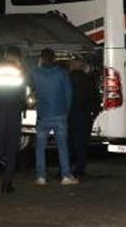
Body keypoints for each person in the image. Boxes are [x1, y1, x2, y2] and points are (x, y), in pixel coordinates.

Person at [31, 48, 76, 186]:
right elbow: (69, 94)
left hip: (43, 115)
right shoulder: (62, 74)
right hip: (59, 114)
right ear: (54, 58)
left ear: (42, 59)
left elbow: (33, 91)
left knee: (40, 147)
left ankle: (41, 176)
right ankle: (66, 176)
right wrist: (66, 111)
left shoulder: (36, 73)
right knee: (62, 147)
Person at [0, 47, 26, 193]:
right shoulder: (19, 71)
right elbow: (22, 95)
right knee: (11, 149)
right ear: (18, 57)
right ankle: (7, 183)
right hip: (13, 112)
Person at [67, 56, 98, 180]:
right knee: (82, 144)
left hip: (68, 115)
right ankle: (80, 170)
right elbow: (95, 99)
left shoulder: (66, 79)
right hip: (84, 115)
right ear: (83, 67)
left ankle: (65, 169)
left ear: (72, 66)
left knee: (67, 144)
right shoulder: (89, 80)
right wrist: (94, 113)